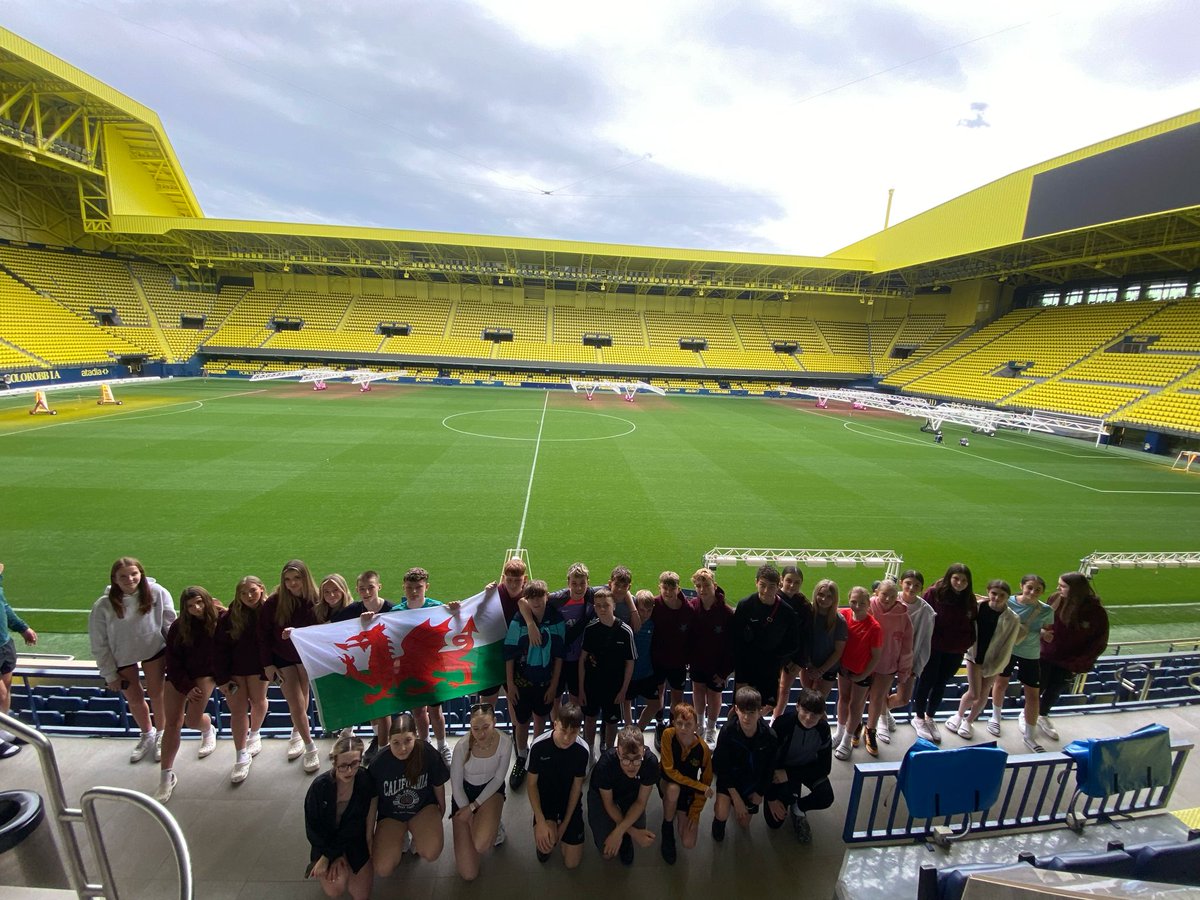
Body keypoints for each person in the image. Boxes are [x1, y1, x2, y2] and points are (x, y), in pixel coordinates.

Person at [88, 557, 176, 765]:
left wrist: (177, 656)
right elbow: (99, 641)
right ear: (115, 579)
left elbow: (170, 623)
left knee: (158, 694)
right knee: (135, 699)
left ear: (141, 574)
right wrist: (109, 674)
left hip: (154, 651)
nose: (130, 579)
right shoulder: (103, 605)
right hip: (123, 656)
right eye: (123, 576)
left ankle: (162, 733)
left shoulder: (157, 592)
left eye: (134, 574)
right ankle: (147, 733)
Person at [156, 585, 221, 802]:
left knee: (191, 721)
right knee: (171, 723)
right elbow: (172, 662)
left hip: (205, 675)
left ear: (207, 601)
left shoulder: (219, 619)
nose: (196, 608)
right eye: (191, 605)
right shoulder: (178, 627)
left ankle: (207, 727)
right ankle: (166, 776)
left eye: (200, 603)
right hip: (180, 676)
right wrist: (185, 686)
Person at [258, 559, 320, 772]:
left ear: (305, 578)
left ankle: (298, 731)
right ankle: (310, 747)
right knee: (295, 702)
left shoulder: (316, 599)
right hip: (282, 659)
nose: (292, 584)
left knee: (303, 701)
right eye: (287, 580)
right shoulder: (274, 603)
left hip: (305, 658)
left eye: (297, 579)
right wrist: (268, 665)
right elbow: (263, 635)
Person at [369, 713, 449, 874]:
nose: (402, 748)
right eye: (396, 743)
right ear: (389, 741)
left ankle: (417, 835)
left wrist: (441, 810)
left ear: (416, 736)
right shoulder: (379, 763)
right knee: (382, 868)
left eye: (408, 740)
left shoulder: (427, 752)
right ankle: (401, 835)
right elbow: (373, 801)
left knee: (431, 851)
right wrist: (369, 833)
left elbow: (438, 784)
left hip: (421, 809)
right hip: (391, 815)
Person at [504, 580, 565, 789]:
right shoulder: (518, 621)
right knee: (522, 722)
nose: (537, 601)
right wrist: (510, 685)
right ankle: (522, 757)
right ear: (527, 600)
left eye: (540, 596)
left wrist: (553, 686)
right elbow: (510, 655)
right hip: (521, 684)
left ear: (547, 597)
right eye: (532, 598)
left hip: (545, 682)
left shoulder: (556, 620)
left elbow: (559, 657)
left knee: (541, 717)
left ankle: (536, 753)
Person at [947, 579, 1023, 741]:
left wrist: (999, 664)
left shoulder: (1012, 618)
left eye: (1001, 595)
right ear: (988, 592)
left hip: (995, 660)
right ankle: (959, 715)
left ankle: (969, 721)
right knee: (974, 693)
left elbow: (1009, 644)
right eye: (994, 594)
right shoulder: (978, 608)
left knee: (983, 693)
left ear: (1007, 597)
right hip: (974, 655)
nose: (996, 598)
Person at [1038, 572, 1109, 742]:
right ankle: (1028, 715)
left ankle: (1042, 715)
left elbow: (1099, 640)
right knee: (1037, 687)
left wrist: (1081, 661)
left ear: (1075, 589)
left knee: (1055, 689)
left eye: (1062, 586)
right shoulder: (1055, 598)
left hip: (1070, 661)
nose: (1058, 588)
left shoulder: (1095, 611)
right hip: (1046, 654)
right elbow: (1042, 619)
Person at [912, 563, 978, 743]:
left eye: (964, 580)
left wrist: (966, 642)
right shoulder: (934, 594)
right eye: (956, 578)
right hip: (933, 648)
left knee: (941, 683)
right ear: (949, 577)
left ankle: (930, 716)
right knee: (926, 680)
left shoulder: (969, 599)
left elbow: (972, 623)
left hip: (955, 650)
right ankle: (918, 717)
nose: (959, 583)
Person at [988, 575, 1054, 750]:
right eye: (1029, 588)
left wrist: (1045, 635)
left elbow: (1045, 629)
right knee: (1001, 683)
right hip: (1007, 649)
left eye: (1037, 590)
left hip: (1031, 654)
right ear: (1022, 586)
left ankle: (1030, 736)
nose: (1033, 592)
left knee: (1033, 694)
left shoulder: (1046, 610)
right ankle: (995, 718)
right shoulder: (1007, 601)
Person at [305, 735, 375, 900]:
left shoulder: (364, 781)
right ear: (334, 762)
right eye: (343, 765)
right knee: (335, 888)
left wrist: (368, 843)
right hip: (325, 842)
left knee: (361, 895)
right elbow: (312, 828)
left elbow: (356, 825)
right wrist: (329, 856)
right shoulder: (319, 787)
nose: (349, 770)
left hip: (354, 840)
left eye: (354, 764)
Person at [449, 702, 512, 881]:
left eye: (486, 727)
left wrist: (474, 807)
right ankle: (483, 823)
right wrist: (468, 812)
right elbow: (456, 787)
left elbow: (499, 779)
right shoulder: (461, 747)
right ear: (470, 727)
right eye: (476, 729)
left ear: (495, 722)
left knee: (481, 843)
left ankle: (493, 821)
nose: (481, 734)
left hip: (491, 791)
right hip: (464, 795)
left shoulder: (505, 742)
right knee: (469, 874)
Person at [396, 567, 453, 765]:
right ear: (403, 587)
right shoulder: (395, 613)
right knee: (418, 712)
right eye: (409, 587)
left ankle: (442, 745)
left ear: (426, 587)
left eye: (418, 587)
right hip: (410, 671)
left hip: (433, 670)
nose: (413, 591)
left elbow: (456, 622)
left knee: (436, 712)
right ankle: (425, 744)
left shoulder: (437, 608)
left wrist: (455, 609)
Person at [337, 570, 396, 759]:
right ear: (357, 590)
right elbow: (328, 628)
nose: (367, 592)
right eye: (362, 589)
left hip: (388, 668)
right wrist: (296, 633)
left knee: (382, 708)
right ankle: (378, 741)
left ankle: (383, 749)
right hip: (367, 665)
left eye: (371, 587)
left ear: (379, 586)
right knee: (373, 707)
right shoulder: (353, 610)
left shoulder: (392, 610)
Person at [216, 575, 269, 784]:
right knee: (237, 711)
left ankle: (254, 733)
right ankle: (240, 755)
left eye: (253, 591)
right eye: (244, 593)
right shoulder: (229, 617)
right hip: (235, 671)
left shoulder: (268, 613)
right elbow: (219, 650)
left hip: (258, 669)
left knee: (258, 701)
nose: (248, 596)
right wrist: (222, 678)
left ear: (262, 590)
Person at [526, 702, 589, 868]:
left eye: (573, 732)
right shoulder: (538, 746)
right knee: (548, 843)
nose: (567, 738)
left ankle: (565, 829)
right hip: (546, 801)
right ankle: (547, 826)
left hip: (569, 800)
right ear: (555, 724)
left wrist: (565, 825)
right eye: (563, 731)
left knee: (572, 863)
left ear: (579, 730)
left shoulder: (583, 751)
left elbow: (577, 788)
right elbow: (531, 785)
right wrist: (540, 821)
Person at [711, 686, 779, 841]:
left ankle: (739, 804)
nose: (747, 718)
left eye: (752, 712)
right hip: (730, 779)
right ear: (736, 710)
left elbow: (769, 770)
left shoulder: (770, 736)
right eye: (743, 712)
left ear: (760, 711)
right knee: (722, 812)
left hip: (751, 781)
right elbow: (722, 768)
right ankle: (719, 820)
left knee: (744, 823)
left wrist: (760, 792)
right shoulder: (727, 731)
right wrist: (735, 798)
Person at [768, 688, 834, 843]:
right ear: (797, 706)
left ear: (822, 715)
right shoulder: (783, 724)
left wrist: (790, 775)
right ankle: (791, 795)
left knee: (826, 797)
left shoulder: (823, 730)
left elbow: (825, 768)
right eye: (805, 711)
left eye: (815, 714)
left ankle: (799, 807)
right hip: (781, 771)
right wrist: (771, 797)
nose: (809, 718)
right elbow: (768, 762)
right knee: (774, 822)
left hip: (802, 770)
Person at [577, 588, 636, 762]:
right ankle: (589, 753)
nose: (603, 609)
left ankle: (609, 754)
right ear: (595, 607)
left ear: (614, 606)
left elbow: (630, 663)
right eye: (599, 606)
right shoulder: (591, 629)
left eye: (606, 605)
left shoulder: (625, 631)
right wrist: (581, 689)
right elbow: (582, 660)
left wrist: (624, 690)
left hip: (614, 687)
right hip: (592, 685)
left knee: (612, 723)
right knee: (590, 718)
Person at [587, 726, 659, 865]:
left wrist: (619, 831)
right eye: (625, 759)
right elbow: (609, 803)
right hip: (604, 796)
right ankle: (623, 832)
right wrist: (633, 832)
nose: (631, 766)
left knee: (638, 825)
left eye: (637, 759)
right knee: (607, 854)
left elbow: (640, 802)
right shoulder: (605, 765)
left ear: (644, 752)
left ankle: (624, 836)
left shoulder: (651, 763)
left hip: (631, 793)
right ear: (618, 752)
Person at [731, 565, 798, 713]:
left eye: (772, 586)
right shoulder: (745, 605)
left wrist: (776, 659)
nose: (767, 591)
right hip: (746, 669)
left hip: (769, 671)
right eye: (763, 585)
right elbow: (736, 641)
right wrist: (740, 676)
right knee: (740, 710)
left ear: (779, 585)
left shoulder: (786, 612)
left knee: (761, 710)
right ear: (756, 582)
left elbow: (793, 642)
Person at [879, 570, 932, 744]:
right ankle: (881, 720)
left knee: (903, 698)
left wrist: (918, 666)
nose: (912, 587)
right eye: (908, 583)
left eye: (916, 585)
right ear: (901, 582)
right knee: (880, 691)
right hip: (886, 655)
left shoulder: (926, 611)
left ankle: (883, 712)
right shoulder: (890, 598)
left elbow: (925, 641)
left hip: (909, 659)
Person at [658, 702, 713, 864]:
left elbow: (707, 782)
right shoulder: (668, 735)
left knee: (688, 842)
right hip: (667, 783)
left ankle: (679, 810)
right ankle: (667, 828)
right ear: (673, 723)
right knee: (673, 789)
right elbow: (669, 770)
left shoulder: (703, 749)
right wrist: (699, 786)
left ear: (696, 726)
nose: (683, 728)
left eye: (688, 724)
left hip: (688, 790)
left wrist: (695, 812)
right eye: (679, 723)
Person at [864, 579, 912, 756]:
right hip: (864, 662)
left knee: (877, 699)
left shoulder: (903, 615)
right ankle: (854, 727)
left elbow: (907, 645)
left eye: (892, 596)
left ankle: (870, 730)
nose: (887, 599)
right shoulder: (867, 606)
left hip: (887, 665)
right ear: (877, 592)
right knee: (859, 698)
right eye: (884, 594)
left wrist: (904, 669)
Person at [833, 587, 882, 761]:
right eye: (853, 601)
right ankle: (839, 733)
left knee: (856, 705)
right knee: (843, 699)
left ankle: (847, 740)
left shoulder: (874, 627)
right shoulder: (844, 615)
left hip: (862, 672)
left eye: (862, 603)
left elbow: (876, 656)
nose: (857, 606)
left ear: (869, 604)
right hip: (844, 669)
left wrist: (863, 675)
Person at [687, 568, 733, 745]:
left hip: (718, 665)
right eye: (698, 586)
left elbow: (731, 646)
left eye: (705, 585)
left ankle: (712, 728)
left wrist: (724, 671)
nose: (702, 589)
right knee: (697, 690)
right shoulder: (692, 607)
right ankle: (700, 724)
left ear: (714, 585)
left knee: (714, 695)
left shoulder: (726, 613)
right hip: (698, 662)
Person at [0, 563, 38, 758]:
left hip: (3, 643)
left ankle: (3, 728)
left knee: (6, 690)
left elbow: (3, 605)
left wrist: (22, 628)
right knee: (0, 691)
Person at [649, 571, 693, 730]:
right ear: (659, 587)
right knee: (658, 695)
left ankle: (674, 725)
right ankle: (660, 723)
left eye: (671, 588)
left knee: (677, 698)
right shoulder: (654, 605)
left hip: (678, 662)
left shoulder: (688, 609)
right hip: (658, 660)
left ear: (678, 588)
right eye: (664, 588)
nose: (668, 592)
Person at [773, 565, 813, 719]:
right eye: (788, 581)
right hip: (773, 655)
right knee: (770, 688)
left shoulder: (803, 605)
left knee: (784, 689)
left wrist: (798, 661)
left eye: (797, 582)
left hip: (794, 657)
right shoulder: (772, 599)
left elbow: (806, 636)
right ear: (781, 580)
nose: (792, 585)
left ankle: (776, 719)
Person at [799, 579, 846, 701]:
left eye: (829, 596)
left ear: (834, 598)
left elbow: (838, 651)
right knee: (807, 701)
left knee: (817, 703)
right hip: (807, 666)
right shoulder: (807, 614)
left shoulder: (839, 620)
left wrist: (820, 671)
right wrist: (809, 665)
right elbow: (802, 641)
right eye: (821, 595)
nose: (824, 599)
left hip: (828, 668)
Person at [627, 590, 660, 734]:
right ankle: (629, 733)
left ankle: (638, 731)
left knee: (656, 704)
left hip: (647, 672)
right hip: (629, 674)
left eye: (649, 610)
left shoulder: (653, 624)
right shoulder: (630, 623)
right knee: (625, 702)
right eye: (642, 610)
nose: (645, 613)